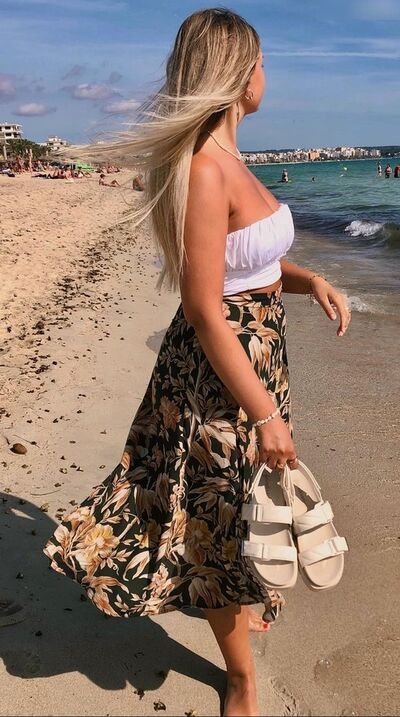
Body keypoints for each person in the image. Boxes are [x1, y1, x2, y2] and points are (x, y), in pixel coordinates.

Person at [43, 9, 351, 716]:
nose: (267, 74)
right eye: (261, 61)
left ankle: (240, 604)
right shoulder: (207, 169)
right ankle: (240, 676)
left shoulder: (230, 157)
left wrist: (308, 281)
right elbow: (206, 306)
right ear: (239, 74)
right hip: (222, 370)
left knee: (239, 499)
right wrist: (265, 413)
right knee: (216, 515)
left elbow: (250, 265)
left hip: (254, 357)